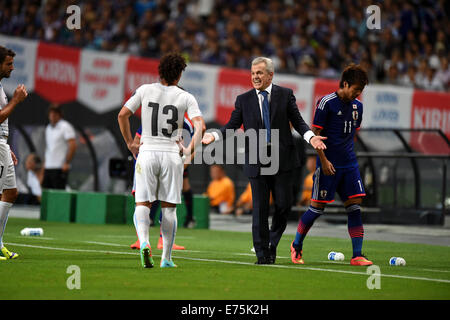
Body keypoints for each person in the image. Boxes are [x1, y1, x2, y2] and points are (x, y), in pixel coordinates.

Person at [202, 57, 326, 264]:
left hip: (282, 160)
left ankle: (271, 242)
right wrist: (213, 136)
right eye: (252, 73)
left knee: (284, 205)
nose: (255, 77)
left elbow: (298, 121)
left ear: (270, 75)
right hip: (257, 160)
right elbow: (232, 125)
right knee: (259, 208)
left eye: (259, 73)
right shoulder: (244, 100)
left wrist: (311, 137)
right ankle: (262, 255)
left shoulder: (285, 95)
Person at [118, 52, 204, 268]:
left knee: (142, 203)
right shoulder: (186, 97)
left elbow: (122, 115)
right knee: (169, 208)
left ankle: (145, 242)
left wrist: (130, 142)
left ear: (160, 71)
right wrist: (188, 150)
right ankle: (166, 258)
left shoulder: (145, 90)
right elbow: (200, 127)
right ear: (179, 74)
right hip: (171, 154)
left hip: (147, 151)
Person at [290, 64, 372, 266]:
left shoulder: (357, 107)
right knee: (317, 209)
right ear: (345, 84)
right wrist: (324, 161)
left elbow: (353, 134)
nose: (358, 94)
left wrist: (349, 157)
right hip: (328, 166)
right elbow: (316, 136)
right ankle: (296, 245)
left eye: (361, 91)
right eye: (355, 90)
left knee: (354, 207)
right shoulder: (326, 103)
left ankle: (357, 255)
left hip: (349, 165)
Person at [129, 114, 198, 250]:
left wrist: (180, 166)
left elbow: (192, 149)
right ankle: (142, 240)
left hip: (170, 163)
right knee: (147, 201)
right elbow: (137, 140)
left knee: (164, 202)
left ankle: (158, 241)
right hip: (150, 162)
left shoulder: (185, 123)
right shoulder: (154, 117)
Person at [0, 46, 28, 261]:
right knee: (9, 192)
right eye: (8, 63)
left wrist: (6, 145)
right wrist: (16, 101)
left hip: (1, 145)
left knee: (10, 193)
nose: (12, 67)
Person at [42, 105, 77, 190]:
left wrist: (67, 163)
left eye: (55, 114)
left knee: (58, 194)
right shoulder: (48, 128)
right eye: (51, 114)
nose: (52, 116)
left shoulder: (65, 126)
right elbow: (49, 147)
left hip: (60, 167)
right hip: (48, 167)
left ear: (59, 115)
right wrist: (45, 164)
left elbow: (72, 146)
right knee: (46, 193)